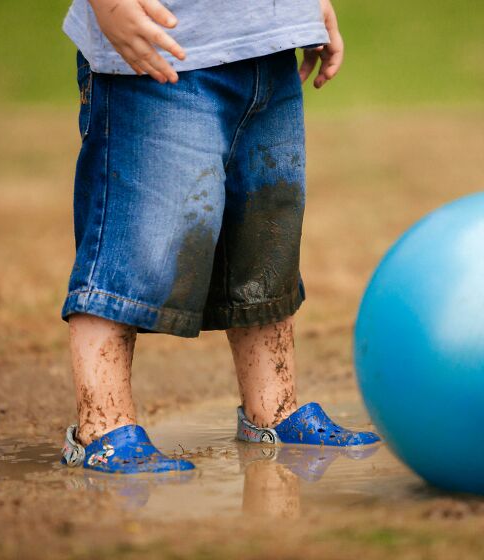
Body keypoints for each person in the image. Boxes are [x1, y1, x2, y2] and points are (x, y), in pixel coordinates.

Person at [59, 0, 380, 474]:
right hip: (158, 51)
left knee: (265, 240)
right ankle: (101, 426)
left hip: (269, 49)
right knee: (134, 246)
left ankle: (273, 409)